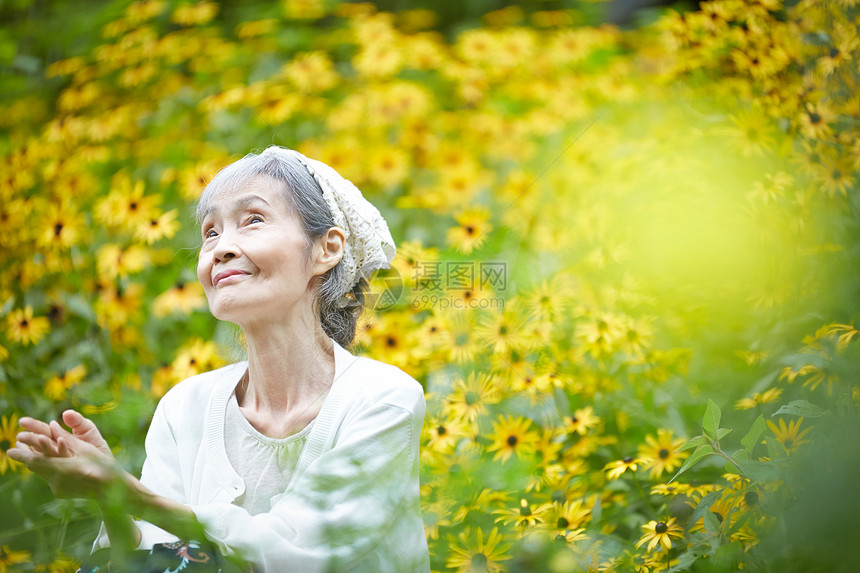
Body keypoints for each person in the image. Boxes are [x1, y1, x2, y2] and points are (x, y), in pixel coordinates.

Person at [9, 146, 431, 572]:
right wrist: (110, 499)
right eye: (211, 232)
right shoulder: (184, 406)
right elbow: (154, 560)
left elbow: (294, 555)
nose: (221, 248)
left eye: (253, 220)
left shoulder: (382, 399)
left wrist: (129, 494)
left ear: (327, 248)